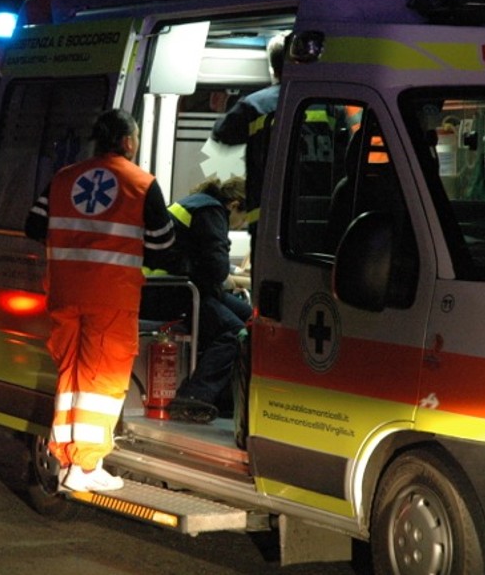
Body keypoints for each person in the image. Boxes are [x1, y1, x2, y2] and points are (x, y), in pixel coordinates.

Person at [25, 108, 176, 493]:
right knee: (100, 382)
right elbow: (163, 247)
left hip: (64, 293)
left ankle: (67, 458)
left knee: (71, 378)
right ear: (128, 142)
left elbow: (34, 226)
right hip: (110, 297)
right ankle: (86, 467)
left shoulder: (63, 179)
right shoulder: (140, 184)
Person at [165, 177, 252, 423]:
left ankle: (224, 397)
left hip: (182, 286)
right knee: (235, 331)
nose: (239, 225)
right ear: (234, 205)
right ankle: (194, 398)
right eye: (242, 219)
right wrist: (224, 278)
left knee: (251, 318)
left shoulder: (200, 204)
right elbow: (217, 268)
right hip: (174, 291)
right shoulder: (211, 211)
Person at [210, 31, 288, 267]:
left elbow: (222, 134)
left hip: (266, 219)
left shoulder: (256, 104)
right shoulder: (328, 104)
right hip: (313, 218)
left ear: (273, 69)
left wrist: (235, 104)